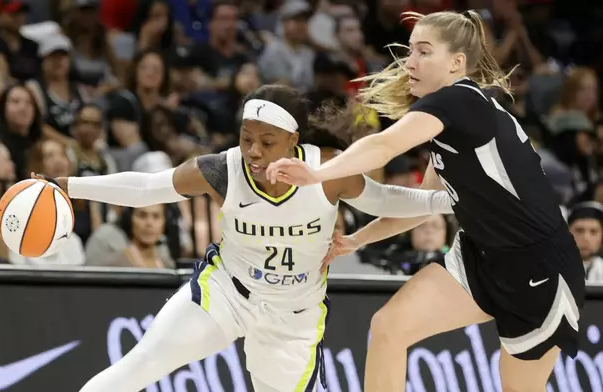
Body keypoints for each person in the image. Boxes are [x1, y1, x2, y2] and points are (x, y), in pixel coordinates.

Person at [34, 84, 453, 392]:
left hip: (292, 316)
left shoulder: (326, 174)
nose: (253, 151)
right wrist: (68, 185)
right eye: (246, 138)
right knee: (137, 367)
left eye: (267, 143)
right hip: (226, 294)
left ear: (294, 141)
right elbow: (147, 187)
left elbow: (388, 200)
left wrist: (447, 201)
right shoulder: (222, 169)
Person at [266, 10, 585, 392]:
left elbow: (383, 145)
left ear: (456, 63)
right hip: (482, 256)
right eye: (410, 50)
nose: (409, 62)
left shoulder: (460, 100)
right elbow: (426, 203)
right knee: (389, 327)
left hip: (539, 268)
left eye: (424, 52)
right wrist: (357, 240)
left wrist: (317, 174)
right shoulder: (451, 122)